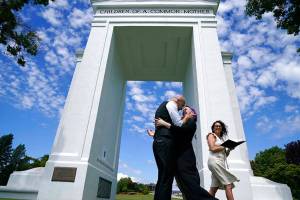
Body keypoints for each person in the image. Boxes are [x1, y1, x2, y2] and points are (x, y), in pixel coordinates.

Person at [148, 106, 218, 200]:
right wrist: (155, 135)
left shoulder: (191, 122)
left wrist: (164, 123)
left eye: (188, 108)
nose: (184, 108)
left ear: (193, 114)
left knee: (192, 188)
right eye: (184, 108)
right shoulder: (183, 123)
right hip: (178, 160)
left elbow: (180, 130)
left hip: (186, 161)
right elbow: (172, 137)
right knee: (185, 190)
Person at [151, 95, 191, 200]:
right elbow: (178, 124)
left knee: (163, 175)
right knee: (167, 175)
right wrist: (186, 117)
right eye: (181, 106)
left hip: (159, 141)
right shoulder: (171, 104)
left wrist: (155, 135)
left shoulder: (164, 106)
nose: (180, 109)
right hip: (165, 143)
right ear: (178, 101)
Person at [206, 121, 239, 200]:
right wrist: (225, 146)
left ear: (222, 128)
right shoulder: (211, 135)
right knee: (229, 184)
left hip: (219, 162)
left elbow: (224, 156)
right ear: (213, 128)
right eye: (216, 126)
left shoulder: (221, 140)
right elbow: (212, 148)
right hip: (215, 162)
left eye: (219, 126)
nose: (218, 127)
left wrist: (229, 149)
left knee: (214, 188)